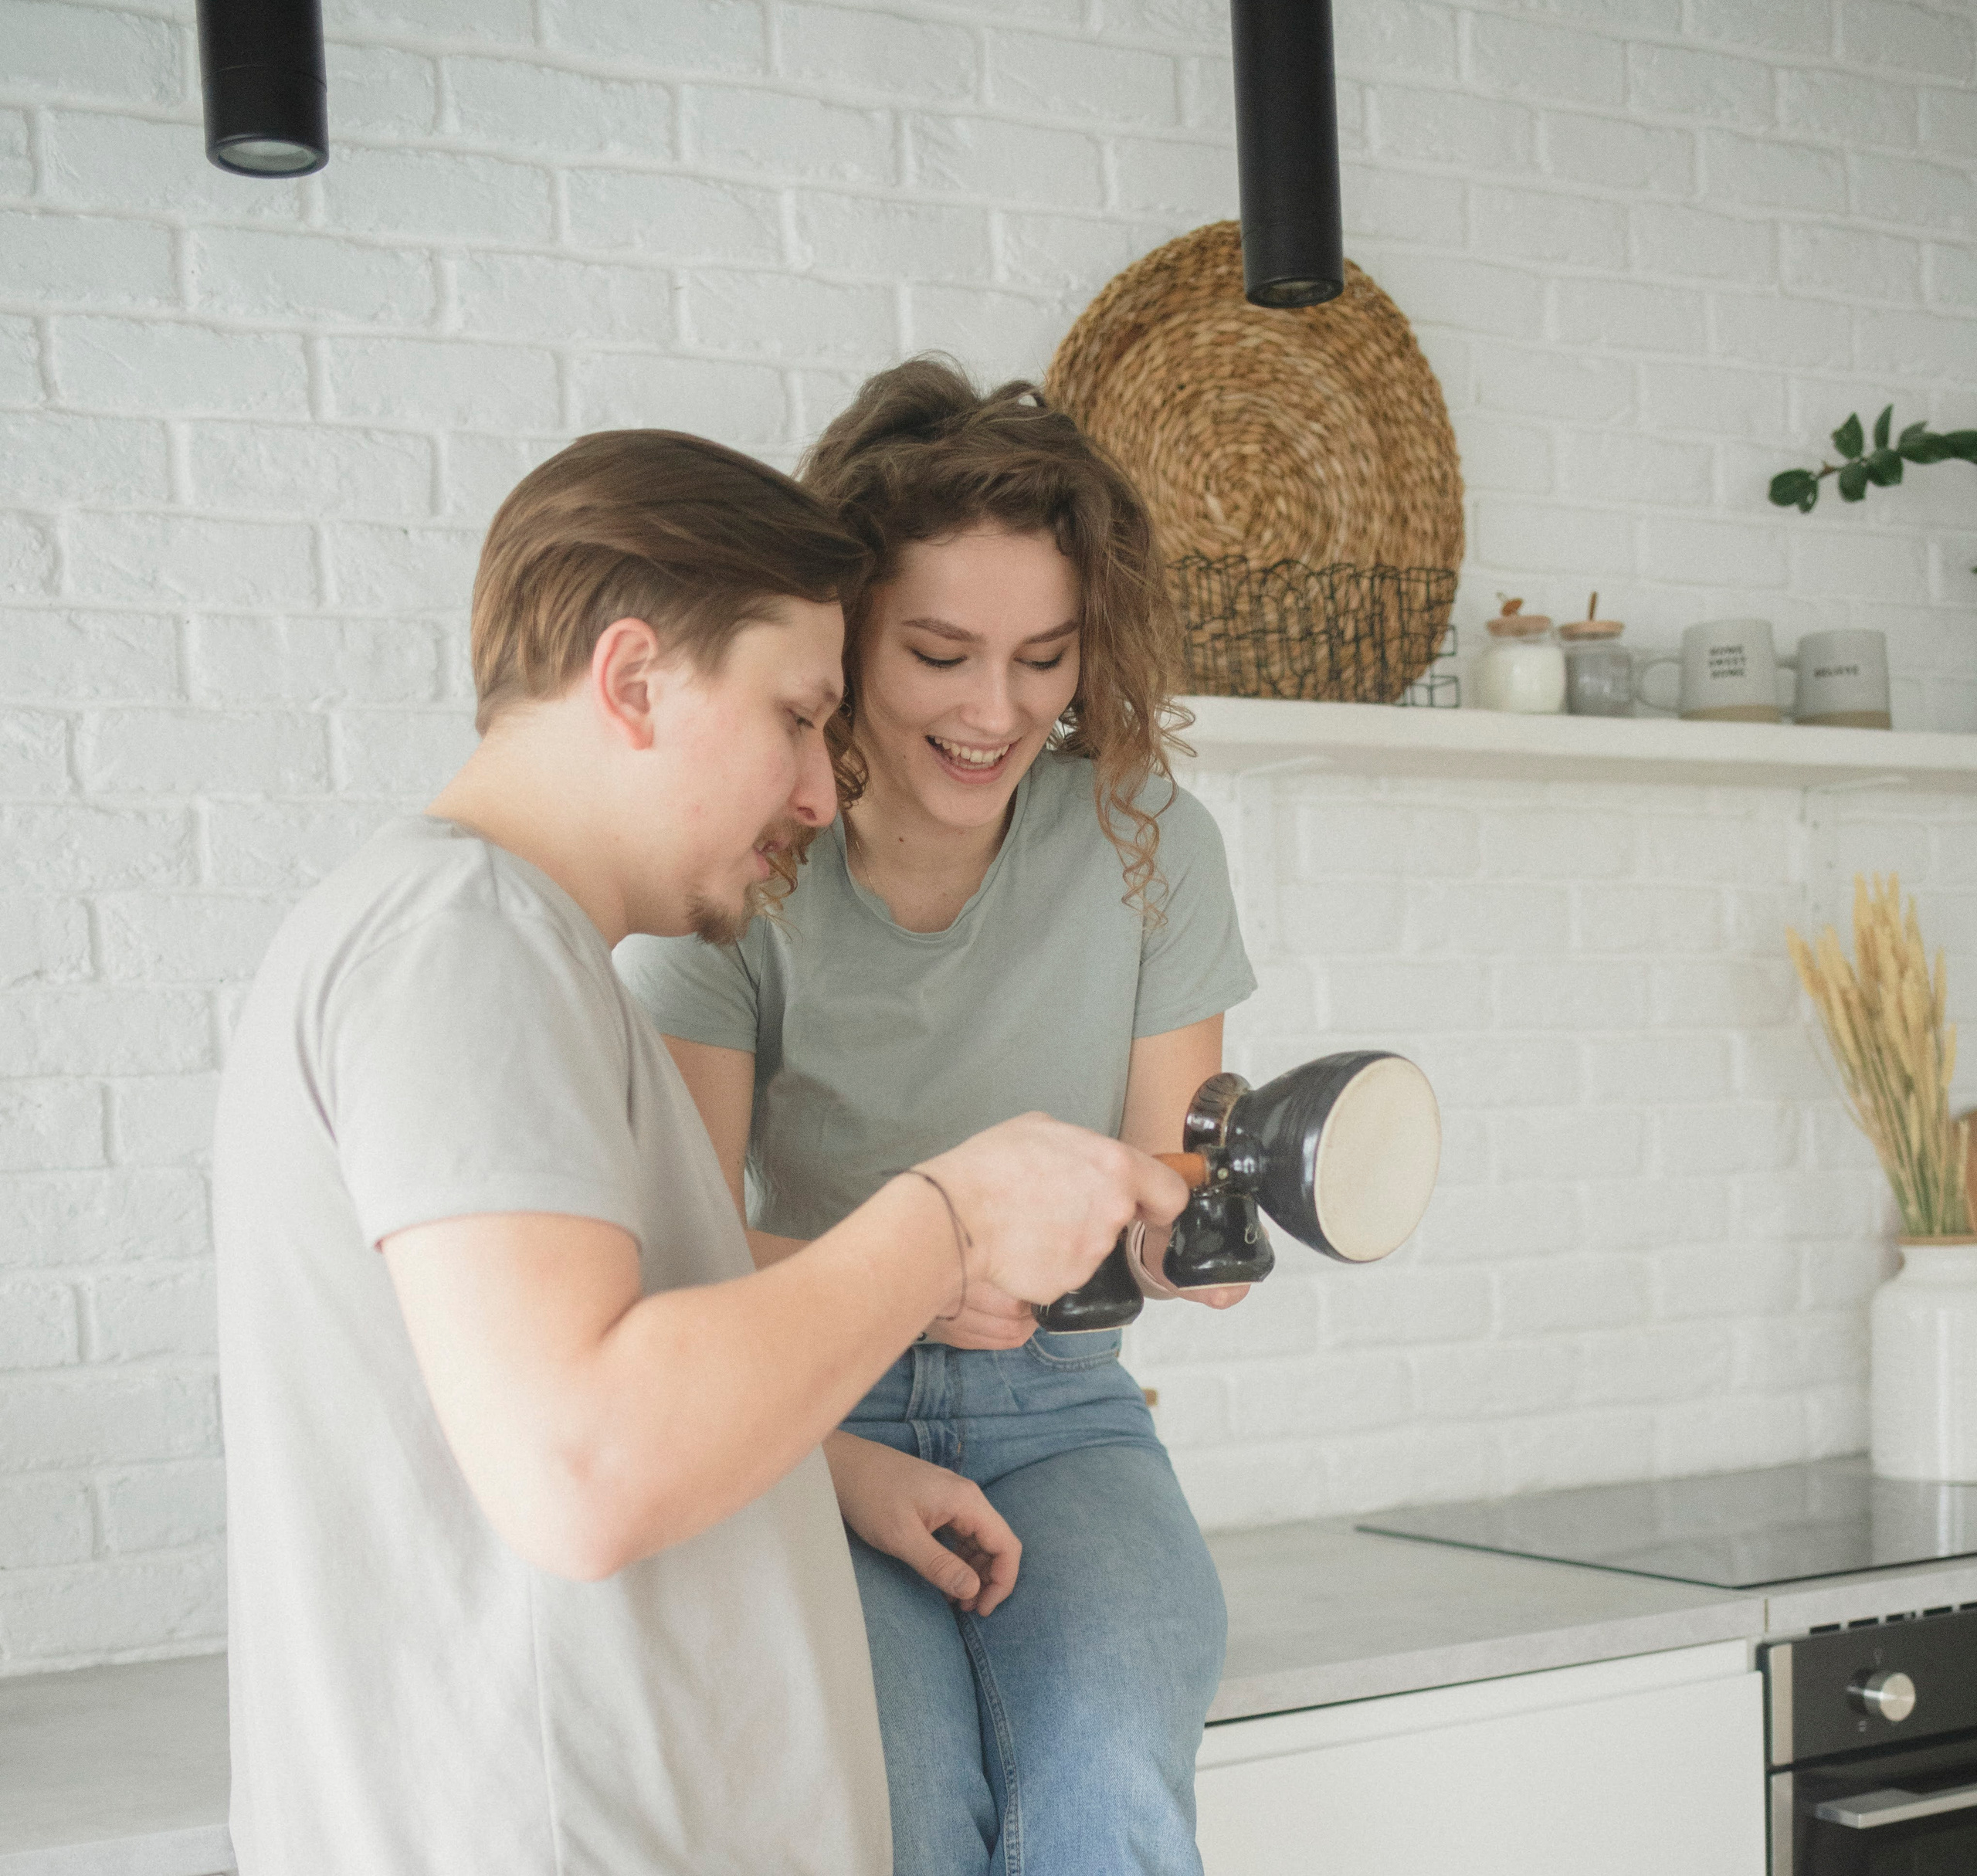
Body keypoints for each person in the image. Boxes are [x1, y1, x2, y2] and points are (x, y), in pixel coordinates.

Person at [211, 428, 1188, 1876]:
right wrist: (947, 1223)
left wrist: (834, 1473)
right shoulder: (459, 948)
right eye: (797, 716)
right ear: (632, 681)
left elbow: (591, 1360)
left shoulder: (513, 953)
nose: (817, 788)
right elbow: (583, 1462)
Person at [619, 361, 1257, 1876]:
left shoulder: (1144, 833)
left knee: (1108, 1777)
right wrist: (916, 1263)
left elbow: (1175, 1184)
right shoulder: (741, 858)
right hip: (811, 1409)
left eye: (1044, 658)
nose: (997, 712)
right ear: (842, 640)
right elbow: (685, 1250)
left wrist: (1200, 1247)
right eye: (939, 653)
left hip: (1062, 1411)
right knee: (898, 1807)